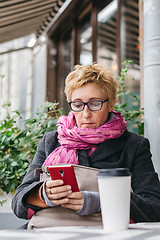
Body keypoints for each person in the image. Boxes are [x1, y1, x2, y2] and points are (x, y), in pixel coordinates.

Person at [12, 63, 160, 228]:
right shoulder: (52, 140)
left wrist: (99, 202)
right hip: (47, 230)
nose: (86, 114)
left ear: (111, 104)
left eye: (95, 103)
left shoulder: (133, 145)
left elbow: (154, 208)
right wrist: (44, 194)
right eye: (77, 104)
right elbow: (18, 204)